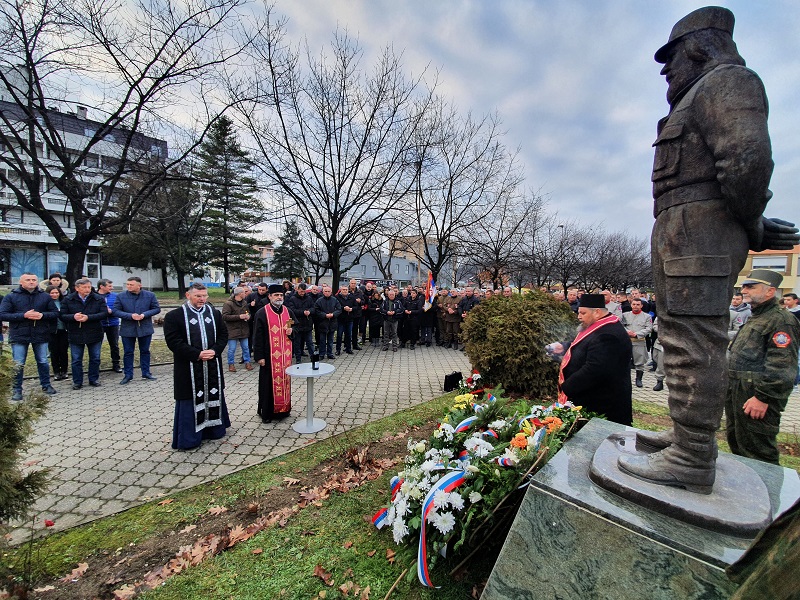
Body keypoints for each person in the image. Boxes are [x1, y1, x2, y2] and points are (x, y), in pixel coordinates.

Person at [619, 6, 800, 493]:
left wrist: (752, 223)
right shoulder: (697, 94)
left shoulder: (728, 82)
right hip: (682, 228)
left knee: (695, 340)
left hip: (702, 231)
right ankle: (687, 436)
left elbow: (746, 160)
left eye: (672, 59)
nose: (667, 72)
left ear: (698, 49)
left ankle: (693, 456)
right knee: (681, 336)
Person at [726, 270, 799, 465]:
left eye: (751, 287)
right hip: (739, 390)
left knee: (759, 453)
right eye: (744, 286)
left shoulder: (781, 320)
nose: (744, 290)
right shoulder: (757, 316)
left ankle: (766, 486)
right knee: (738, 444)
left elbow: (782, 365)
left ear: (770, 291)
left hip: (756, 394)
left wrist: (763, 398)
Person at [164, 283, 230, 450]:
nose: (202, 299)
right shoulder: (175, 316)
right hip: (188, 368)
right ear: (188, 295)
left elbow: (223, 335)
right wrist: (197, 354)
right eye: (198, 296)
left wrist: (215, 351)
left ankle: (214, 430)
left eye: (204, 296)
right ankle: (190, 438)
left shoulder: (214, 313)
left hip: (212, 365)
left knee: (214, 394)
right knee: (190, 399)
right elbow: (173, 341)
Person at [555, 293, 633, 425]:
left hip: (603, 405)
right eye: (579, 312)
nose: (579, 316)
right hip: (592, 398)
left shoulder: (608, 335)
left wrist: (566, 387)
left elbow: (595, 369)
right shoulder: (599, 326)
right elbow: (587, 345)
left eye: (583, 313)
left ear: (597, 312)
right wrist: (564, 346)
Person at [0, 273, 58, 401]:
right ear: (21, 282)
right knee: (18, 363)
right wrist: (23, 316)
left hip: (40, 333)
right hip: (19, 334)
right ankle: (17, 389)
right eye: (28, 280)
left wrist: (42, 315)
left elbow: (55, 313)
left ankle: (46, 385)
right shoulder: (11, 296)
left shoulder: (45, 296)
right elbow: (3, 314)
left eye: (34, 280)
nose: (31, 282)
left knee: (43, 361)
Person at [253, 284, 295, 423]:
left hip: (285, 356)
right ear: (269, 296)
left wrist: (292, 331)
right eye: (276, 295)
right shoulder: (262, 313)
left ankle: (284, 410)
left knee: (285, 383)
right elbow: (257, 336)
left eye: (281, 295)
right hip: (269, 356)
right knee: (267, 385)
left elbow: (295, 326)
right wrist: (259, 356)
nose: (279, 297)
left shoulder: (288, 311)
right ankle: (267, 413)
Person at [60, 278, 107, 389]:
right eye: (84, 287)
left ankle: (93, 379)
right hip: (75, 333)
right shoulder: (68, 299)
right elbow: (62, 315)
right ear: (77, 288)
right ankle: (77, 381)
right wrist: (73, 317)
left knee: (95, 358)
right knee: (76, 359)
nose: (87, 289)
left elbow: (104, 313)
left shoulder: (98, 298)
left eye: (89, 287)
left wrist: (88, 317)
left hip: (94, 332)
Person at [112, 276, 161, 384]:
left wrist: (144, 315)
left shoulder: (150, 295)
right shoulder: (121, 296)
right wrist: (130, 316)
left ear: (139, 285)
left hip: (145, 328)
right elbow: (115, 311)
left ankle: (146, 372)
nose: (129, 286)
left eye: (131, 285)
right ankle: (128, 375)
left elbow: (156, 309)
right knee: (128, 352)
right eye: (128, 284)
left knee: (145, 351)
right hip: (128, 328)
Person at [621, 298, 654, 388]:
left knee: (639, 362)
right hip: (626, 341)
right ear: (631, 305)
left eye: (638, 304)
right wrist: (627, 332)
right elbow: (621, 325)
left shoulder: (647, 317)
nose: (635, 306)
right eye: (634, 304)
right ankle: (625, 380)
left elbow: (649, 328)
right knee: (624, 362)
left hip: (639, 341)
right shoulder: (625, 315)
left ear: (641, 306)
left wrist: (637, 334)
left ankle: (638, 379)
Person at [221, 287, 252, 372]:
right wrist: (239, 317)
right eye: (244, 292)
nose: (245, 294)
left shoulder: (244, 302)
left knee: (246, 348)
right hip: (232, 330)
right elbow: (224, 316)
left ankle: (247, 362)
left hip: (243, 329)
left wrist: (248, 316)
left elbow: (248, 312)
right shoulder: (228, 304)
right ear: (240, 294)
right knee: (232, 349)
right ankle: (231, 364)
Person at [285, 283, 315, 362]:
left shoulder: (309, 298)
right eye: (301, 291)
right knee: (297, 343)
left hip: (307, 323)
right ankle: (298, 359)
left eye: (304, 291)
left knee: (309, 342)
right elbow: (292, 310)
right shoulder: (292, 298)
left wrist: (309, 311)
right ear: (297, 290)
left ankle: (313, 357)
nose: (302, 293)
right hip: (297, 324)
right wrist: (302, 312)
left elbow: (313, 308)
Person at [97, 279, 122, 373]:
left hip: (113, 323)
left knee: (114, 345)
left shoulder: (115, 296)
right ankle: (96, 365)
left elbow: (119, 309)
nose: (112, 288)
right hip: (99, 324)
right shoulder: (94, 297)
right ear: (101, 286)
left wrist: (111, 312)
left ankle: (116, 364)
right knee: (96, 345)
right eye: (109, 286)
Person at [46, 285, 69, 381]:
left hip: (64, 329)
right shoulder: (46, 303)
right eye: (52, 293)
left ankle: (64, 371)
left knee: (63, 351)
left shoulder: (63, 302)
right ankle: (56, 371)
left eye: (56, 293)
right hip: (52, 330)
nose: (55, 295)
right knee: (54, 352)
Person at [313, 285, 341, 360]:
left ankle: (329, 353)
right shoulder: (319, 301)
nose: (327, 293)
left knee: (330, 340)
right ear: (323, 292)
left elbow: (339, 309)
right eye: (326, 291)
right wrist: (324, 315)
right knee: (322, 340)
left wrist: (333, 314)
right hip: (322, 323)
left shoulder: (335, 300)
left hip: (332, 322)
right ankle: (322, 354)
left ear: (331, 292)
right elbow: (316, 310)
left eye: (329, 291)